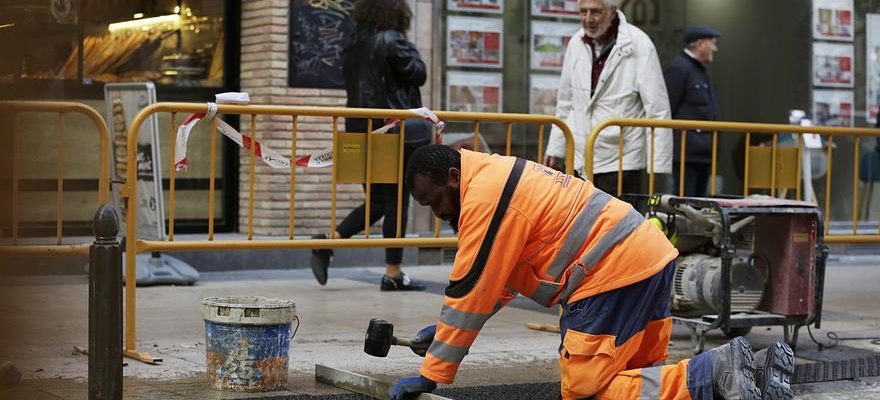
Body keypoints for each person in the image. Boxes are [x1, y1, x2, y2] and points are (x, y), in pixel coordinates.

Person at [388, 144, 795, 400]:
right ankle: (754, 372)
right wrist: (443, 336)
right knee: (638, 377)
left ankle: (714, 372)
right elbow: (498, 278)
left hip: (609, 275)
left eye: (435, 201)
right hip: (644, 259)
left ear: (454, 178)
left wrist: (432, 374)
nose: (437, 213)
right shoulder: (496, 174)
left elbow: (470, 290)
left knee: (586, 390)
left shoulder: (484, 197)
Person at [310, 0, 430, 291]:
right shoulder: (393, 40)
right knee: (396, 202)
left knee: (379, 200)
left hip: (361, 132)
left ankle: (329, 243)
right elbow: (418, 73)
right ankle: (393, 273)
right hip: (392, 132)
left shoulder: (353, 44)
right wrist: (409, 47)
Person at [543, 0, 672, 196]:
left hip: (622, 158)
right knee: (581, 222)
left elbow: (657, 108)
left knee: (617, 224)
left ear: (612, 12)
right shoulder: (576, 43)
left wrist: (658, 167)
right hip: (581, 157)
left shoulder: (639, 44)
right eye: (583, 12)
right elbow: (565, 102)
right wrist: (555, 148)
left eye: (595, 12)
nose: (587, 19)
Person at [664, 26, 721, 197]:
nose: (715, 48)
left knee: (698, 202)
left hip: (702, 152)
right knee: (685, 202)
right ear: (700, 44)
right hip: (686, 154)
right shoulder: (679, 69)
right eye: (712, 43)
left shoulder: (699, 70)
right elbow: (669, 108)